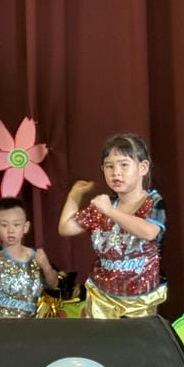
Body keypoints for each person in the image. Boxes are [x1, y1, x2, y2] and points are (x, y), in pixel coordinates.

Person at [58, 133, 166, 318]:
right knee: (101, 337)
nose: (116, 172)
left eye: (124, 165)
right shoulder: (103, 205)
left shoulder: (153, 202)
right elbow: (66, 228)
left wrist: (110, 212)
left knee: (135, 337)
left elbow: (149, 232)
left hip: (140, 298)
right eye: (109, 166)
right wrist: (74, 195)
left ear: (143, 167)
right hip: (102, 295)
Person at [0, 197, 59, 318]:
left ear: (26, 227)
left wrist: (46, 267)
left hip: (27, 323)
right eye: (4, 225)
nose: (11, 230)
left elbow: (54, 285)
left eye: (16, 224)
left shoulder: (38, 257)